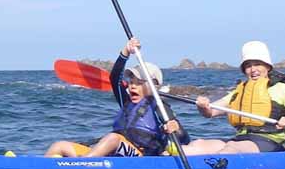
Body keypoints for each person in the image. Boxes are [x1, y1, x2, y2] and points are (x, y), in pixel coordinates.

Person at [45, 38, 189, 158]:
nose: (132, 87)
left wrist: (176, 129)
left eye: (138, 84)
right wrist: (126, 51)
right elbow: (115, 78)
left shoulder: (160, 106)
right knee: (59, 146)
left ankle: (80, 168)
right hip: (113, 153)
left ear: (153, 86)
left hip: (141, 156)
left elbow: (184, 139)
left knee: (113, 138)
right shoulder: (126, 102)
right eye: (131, 83)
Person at [182, 41, 285, 154]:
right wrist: (203, 106)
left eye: (257, 64)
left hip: (271, 141)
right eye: (248, 66)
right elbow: (210, 112)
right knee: (198, 145)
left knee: (232, 148)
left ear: (267, 67)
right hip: (241, 139)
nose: (253, 69)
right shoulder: (239, 92)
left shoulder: (282, 89)